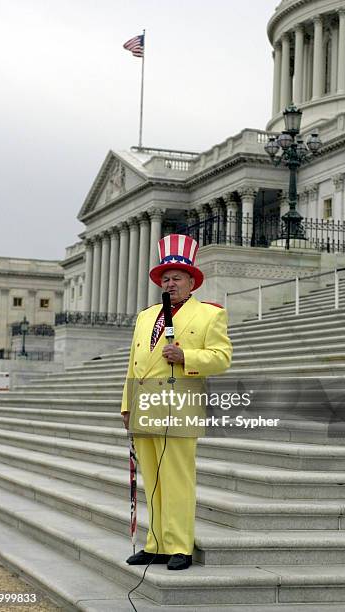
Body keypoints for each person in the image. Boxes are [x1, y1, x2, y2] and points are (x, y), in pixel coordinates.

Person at [121, 233, 232, 570]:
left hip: (179, 406)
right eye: (165, 278)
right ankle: (156, 543)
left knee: (178, 478)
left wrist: (186, 355)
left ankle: (180, 545)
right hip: (145, 406)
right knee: (152, 477)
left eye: (176, 278)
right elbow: (133, 362)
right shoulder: (146, 315)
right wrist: (127, 405)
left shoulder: (209, 315)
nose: (170, 283)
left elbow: (222, 357)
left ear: (191, 281)